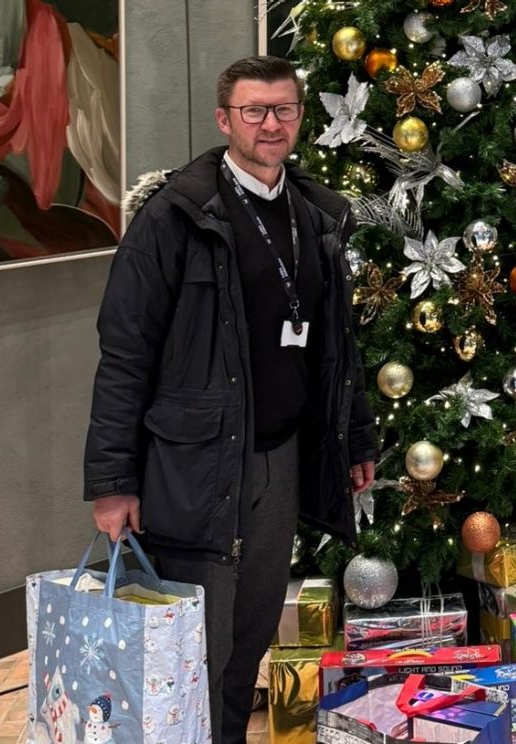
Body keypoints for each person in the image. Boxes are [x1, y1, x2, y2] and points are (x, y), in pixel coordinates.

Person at [82, 55, 377, 744]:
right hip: (195, 464)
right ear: (225, 120)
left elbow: (338, 346)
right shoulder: (175, 217)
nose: (271, 124)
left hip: (279, 457)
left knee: (248, 639)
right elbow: (124, 353)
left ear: (301, 118)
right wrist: (111, 482)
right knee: (195, 649)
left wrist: (357, 437)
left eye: (284, 110)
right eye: (255, 111)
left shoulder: (314, 214)